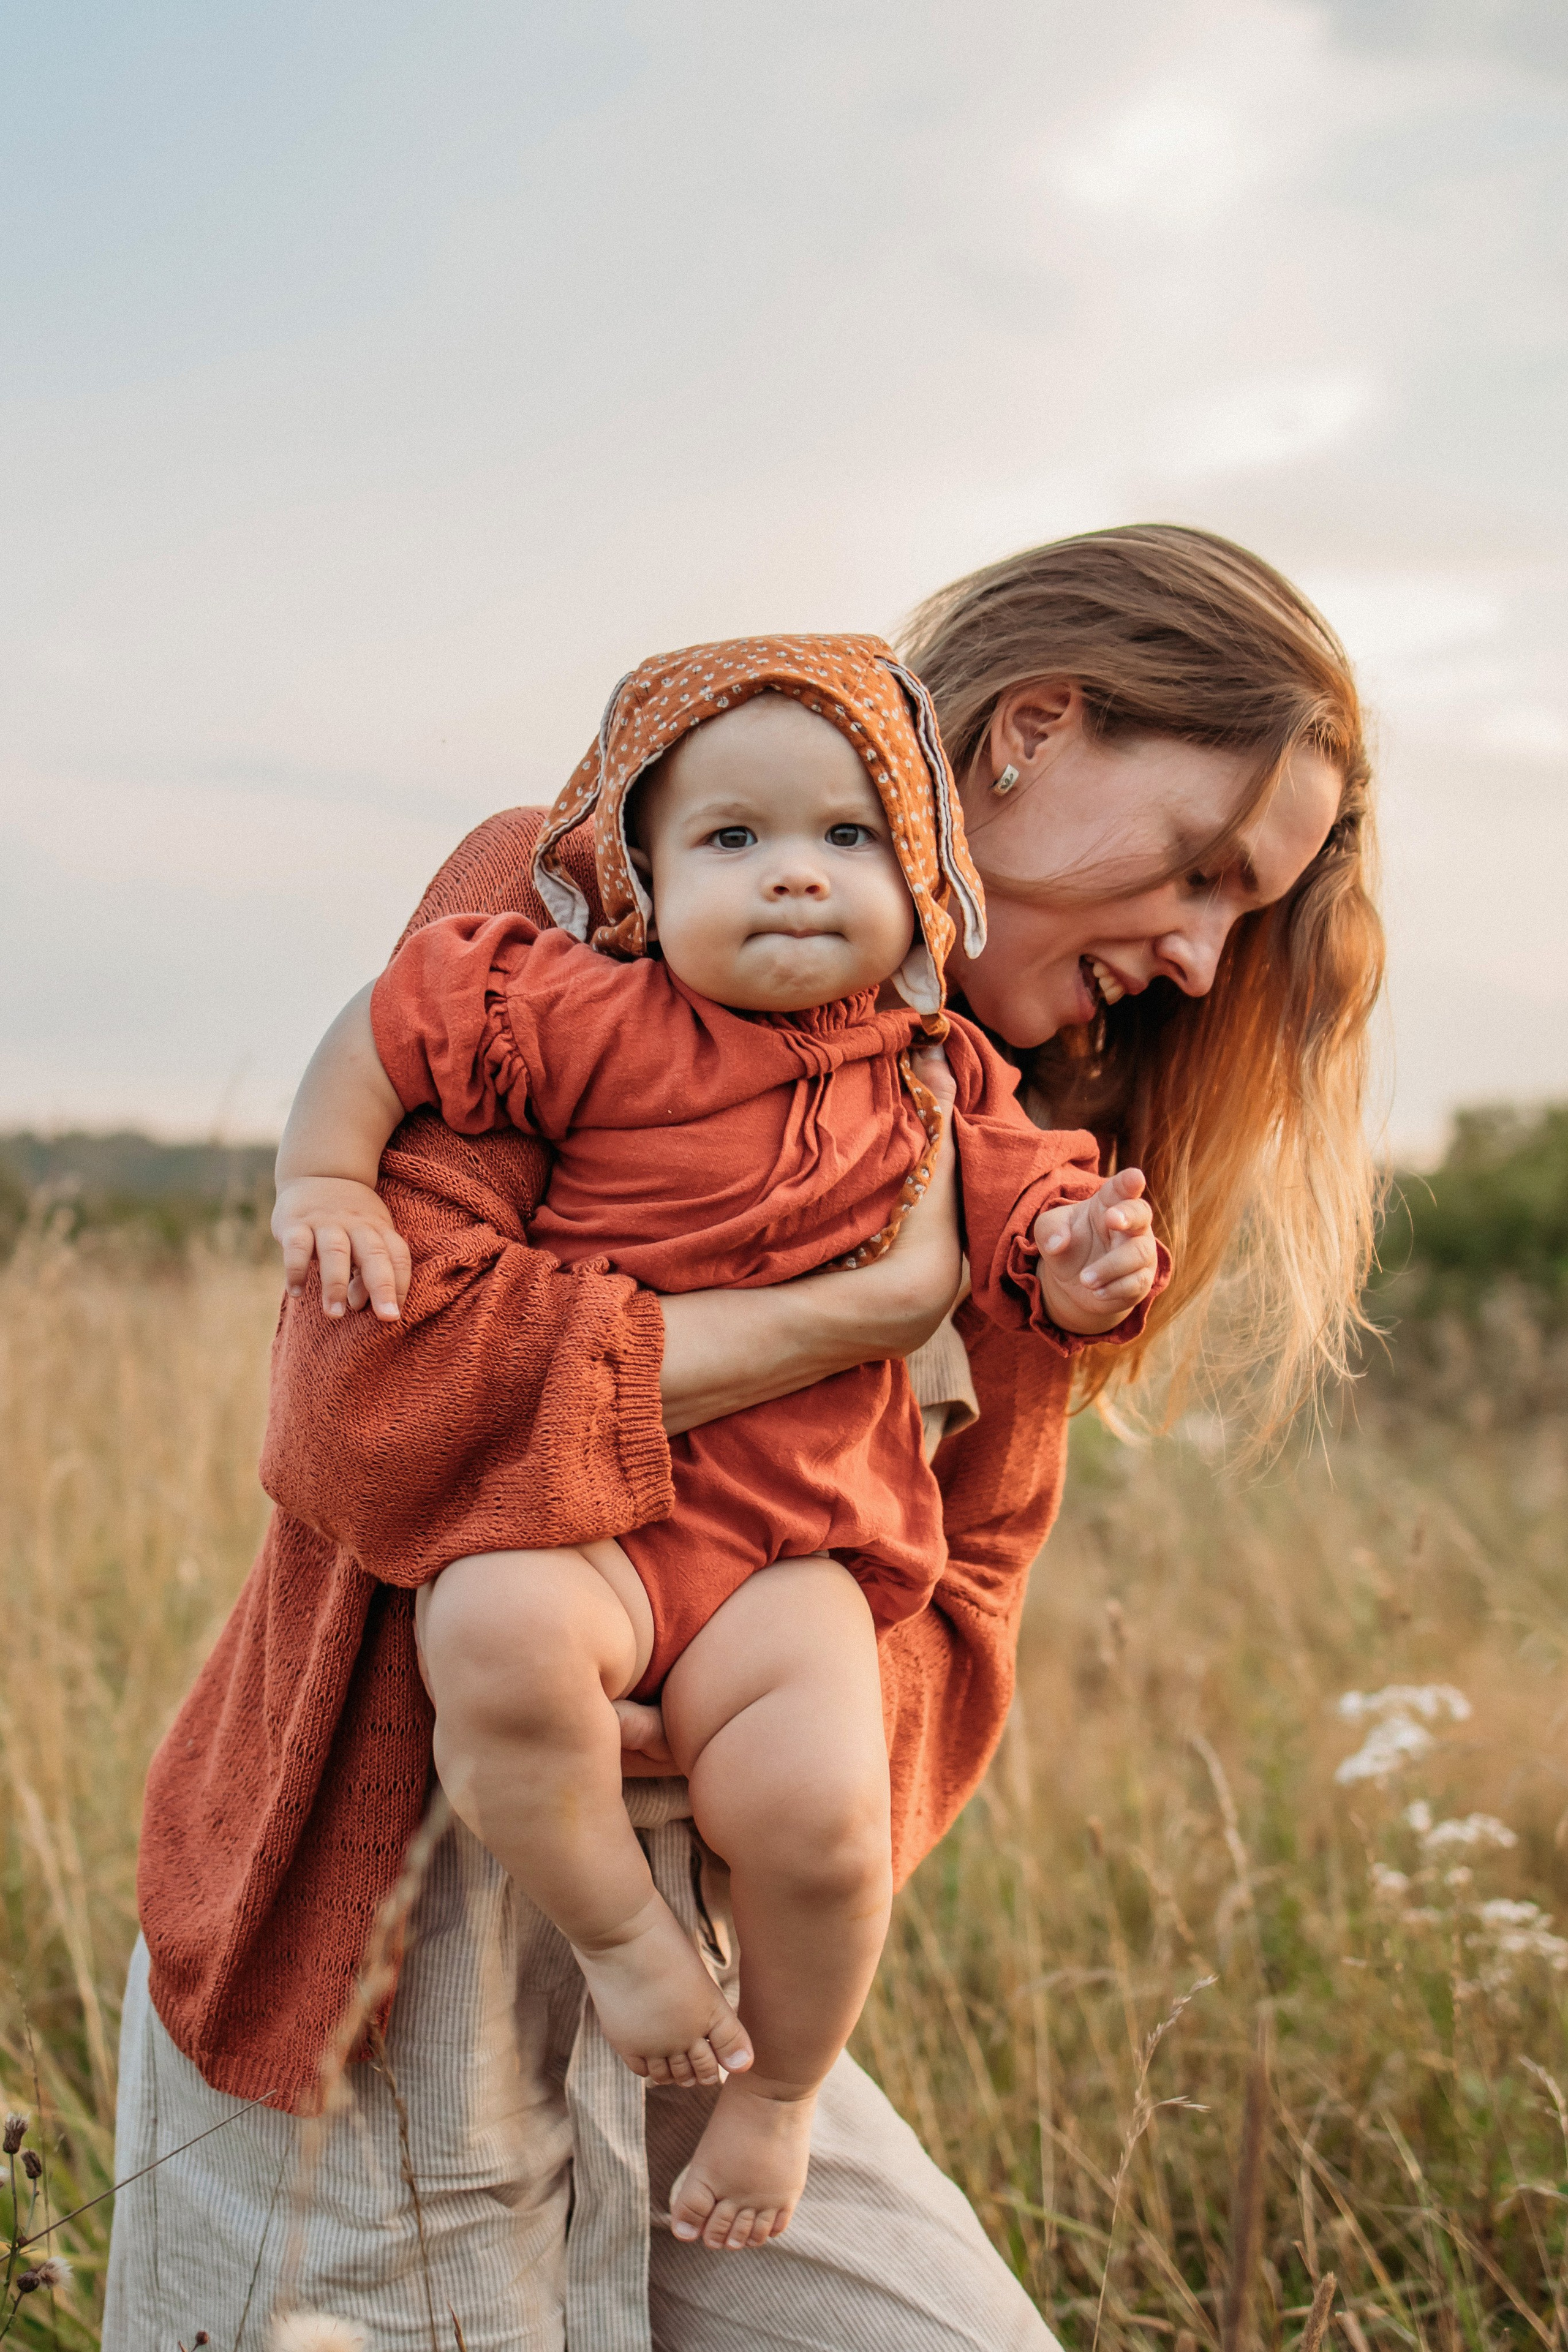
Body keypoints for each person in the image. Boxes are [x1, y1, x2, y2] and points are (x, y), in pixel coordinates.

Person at [105, 526, 1382, 2352]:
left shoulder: (1017, 1123)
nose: (1198, 955)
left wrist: (766, 1746)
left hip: (711, 1995)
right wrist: (856, 1313)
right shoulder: (569, 904)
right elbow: (364, 1419)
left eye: (1243, 921)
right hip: (382, 1952)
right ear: (1034, 731)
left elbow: (972, 1588)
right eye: (1203, 870)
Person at [268, 637, 1164, 2253]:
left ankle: (781, 2093)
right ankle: (623, 1936)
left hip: (791, 1547)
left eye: (848, 838)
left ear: (923, 880)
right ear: (642, 883)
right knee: (492, 1633)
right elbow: (394, 1026)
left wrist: (1084, 1264)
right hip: (591, 1520)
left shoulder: (940, 1069)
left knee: (824, 1814)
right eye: (732, 839)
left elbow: (1031, 1214)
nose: (796, 876)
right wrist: (326, 1179)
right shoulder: (593, 1011)